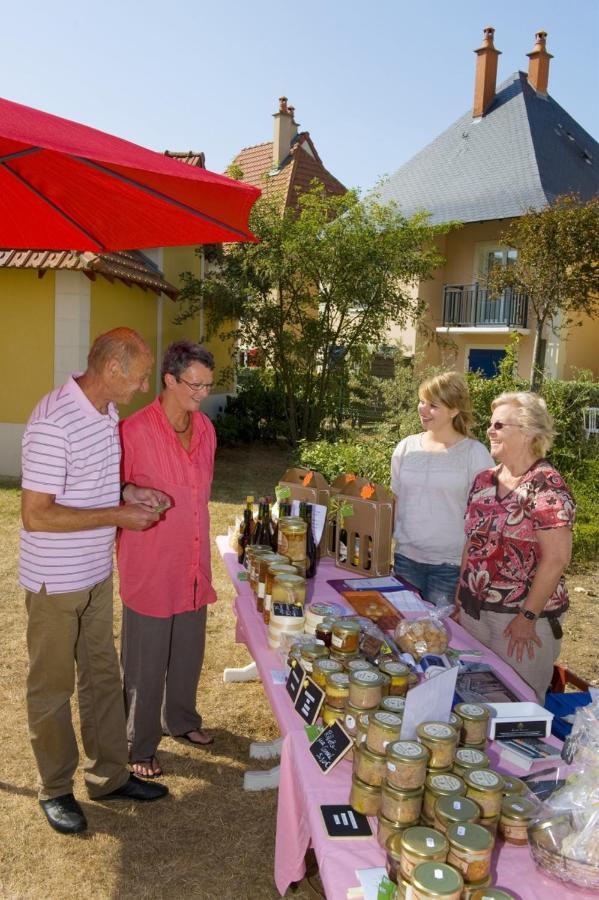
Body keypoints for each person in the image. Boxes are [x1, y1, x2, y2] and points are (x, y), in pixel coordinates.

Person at [21, 327, 171, 836]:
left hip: (94, 574)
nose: (145, 385)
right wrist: (118, 515)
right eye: (141, 375)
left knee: (103, 676)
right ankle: (56, 788)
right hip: (55, 582)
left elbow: (91, 486)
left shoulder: (106, 414)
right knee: (52, 686)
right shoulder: (52, 422)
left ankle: (109, 776)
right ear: (113, 371)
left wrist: (131, 492)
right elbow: (37, 515)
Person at [117, 341, 217, 779]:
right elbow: (109, 487)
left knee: (188, 652)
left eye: (208, 386)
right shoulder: (133, 430)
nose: (202, 394)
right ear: (170, 380)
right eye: (195, 385)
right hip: (151, 566)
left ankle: (180, 720)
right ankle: (137, 743)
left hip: (192, 564)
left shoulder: (207, 430)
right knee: (145, 659)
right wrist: (128, 493)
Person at [459, 391, 575, 701]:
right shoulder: (484, 480)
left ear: (527, 433)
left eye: (499, 425)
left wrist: (527, 618)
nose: (489, 430)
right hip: (474, 612)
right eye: (490, 423)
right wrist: (460, 597)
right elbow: (471, 544)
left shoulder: (546, 485)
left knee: (518, 707)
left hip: (518, 622)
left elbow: (557, 559)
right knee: (473, 699)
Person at [391, 372, 493, 603]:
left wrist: (468, 575)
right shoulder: (406, 447)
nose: (423, 409)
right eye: (421, 401)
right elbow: (395, 502)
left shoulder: (475, 454)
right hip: (405, 559)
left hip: (449, 566)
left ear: (454, 409)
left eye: (433, 405)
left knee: (439, 636)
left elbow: (484, 522)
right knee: (403, 633)